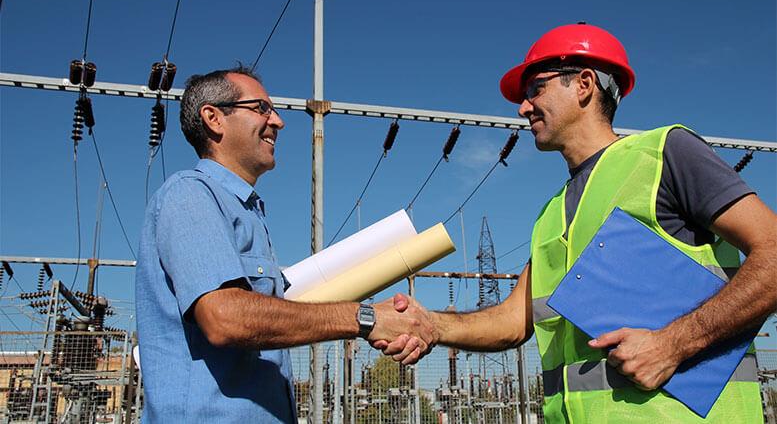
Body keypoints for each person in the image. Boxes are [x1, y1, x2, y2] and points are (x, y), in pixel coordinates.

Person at [378, 24, 776, 422]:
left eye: (536, 88)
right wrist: (430, 323)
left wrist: (673, 343)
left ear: (584, 84)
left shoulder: (664, 154)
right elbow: (513, 321)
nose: (523, 107)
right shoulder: (551, 214)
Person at [135, 66, 437, 423]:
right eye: (261, 108)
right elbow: (225, 318)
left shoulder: (245, 212)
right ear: (214, 118)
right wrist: (366, 317)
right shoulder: (190, 194)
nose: (278, 121)